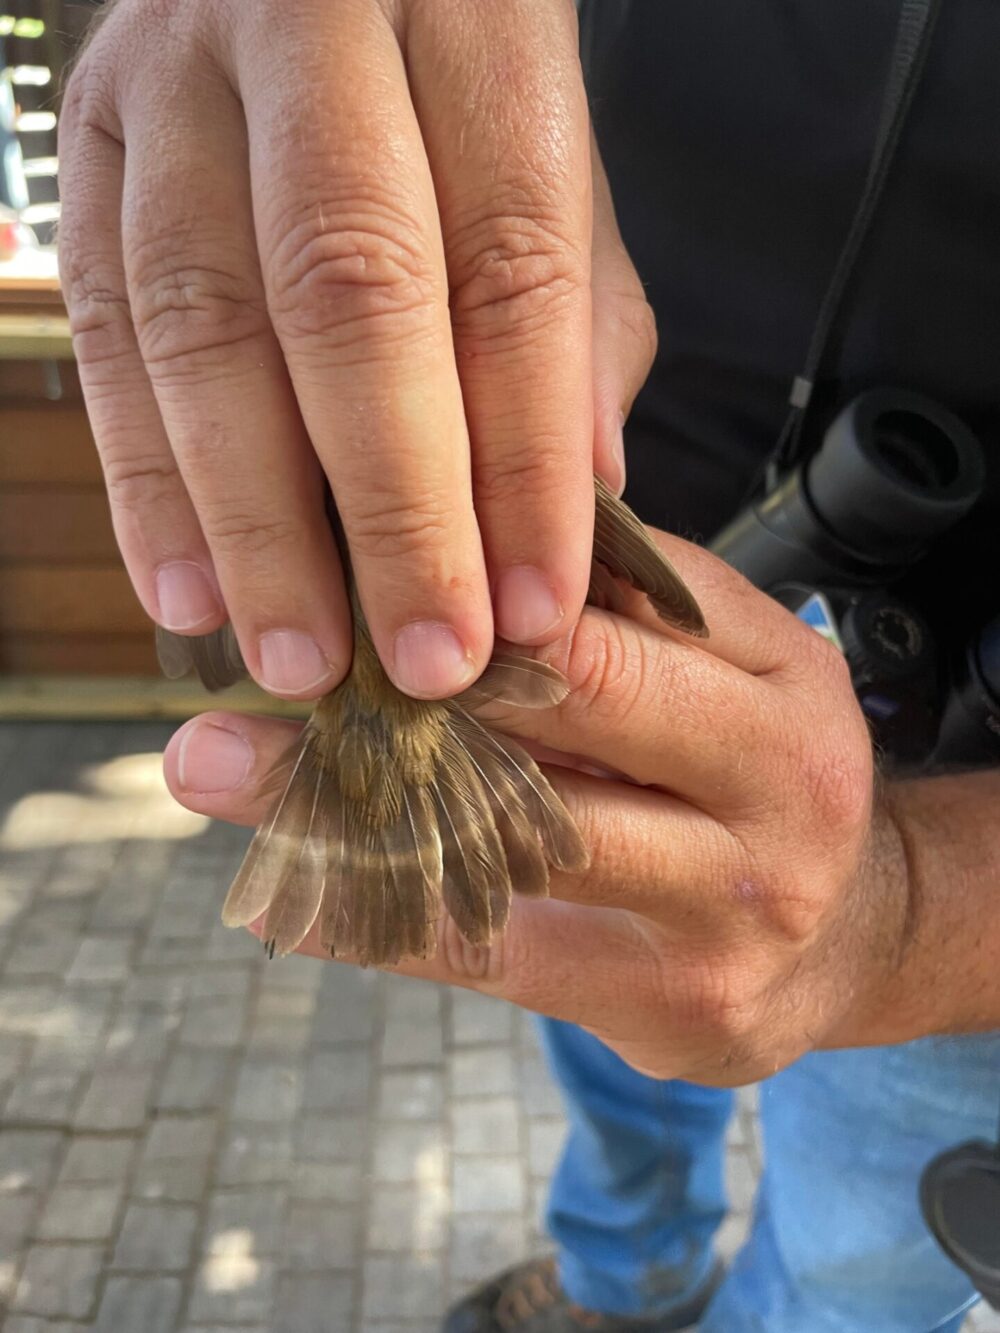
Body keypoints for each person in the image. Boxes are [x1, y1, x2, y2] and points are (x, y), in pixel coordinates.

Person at [56, 2, 1000, 1329]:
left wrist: (904, 909)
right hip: (559, 616)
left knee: (853, 1256)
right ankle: (630, 1274)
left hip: (960, 784)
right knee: (605, 1029)